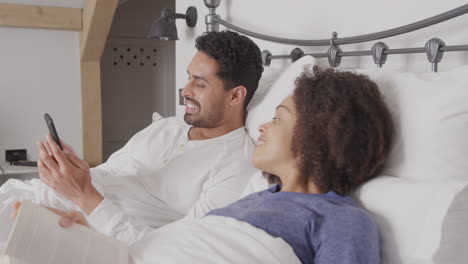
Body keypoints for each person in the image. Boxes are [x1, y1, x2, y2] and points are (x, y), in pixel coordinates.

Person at [38, 68, 394, 263]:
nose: (262, 127)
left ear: (322, 134)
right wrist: (90, 226)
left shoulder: (341, 218)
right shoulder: (254, 196)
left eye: (279, 118)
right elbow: (156, 248)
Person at [0, 30, 264, 244]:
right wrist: (75, 172)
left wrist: (83, 195)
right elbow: (111, 173)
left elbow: (176, 252)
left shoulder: (236, 167)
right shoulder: (166, 127)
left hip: (76, 230)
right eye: (188, 78)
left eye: (200, 83)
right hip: (34, 198)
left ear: (235, 96)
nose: (185, 90)